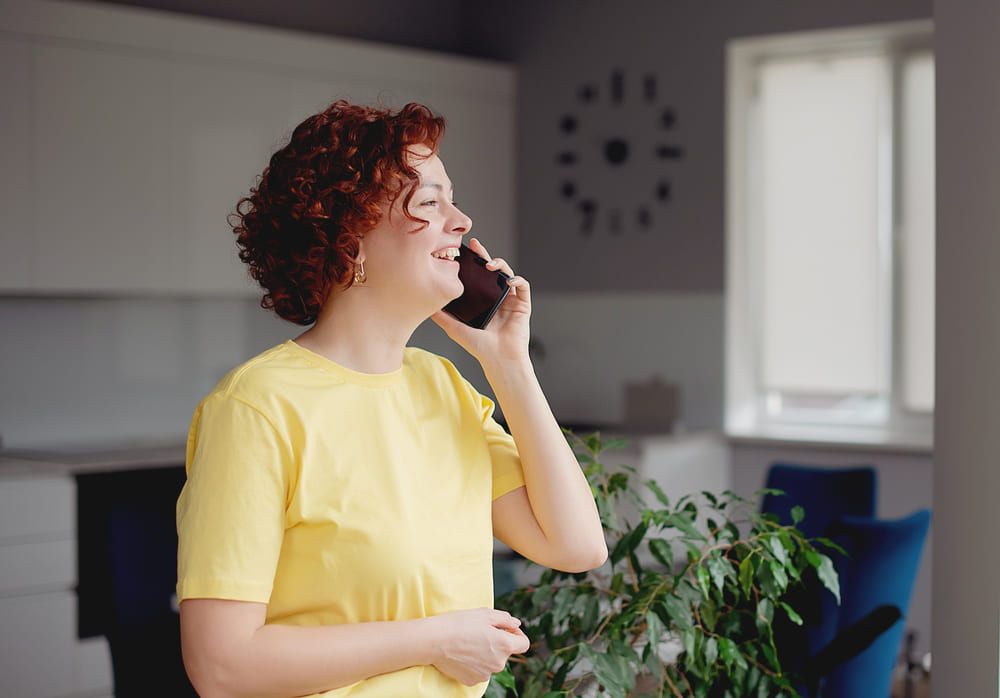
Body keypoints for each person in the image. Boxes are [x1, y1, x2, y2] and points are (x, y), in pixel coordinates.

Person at [176, 100, 608, 698]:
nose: (461, 221)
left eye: (450, 199)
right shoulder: (257, 408)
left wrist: (508, 366)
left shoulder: (443, 388)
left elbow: (576, 545)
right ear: (349, 237)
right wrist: (435, 639)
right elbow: (222, 667)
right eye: (429, 203)